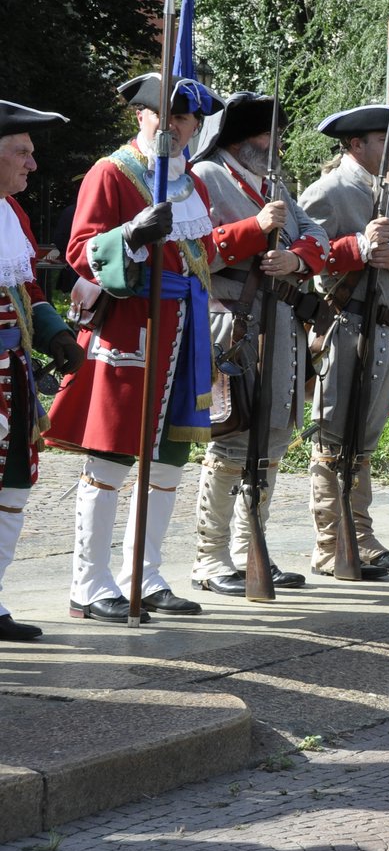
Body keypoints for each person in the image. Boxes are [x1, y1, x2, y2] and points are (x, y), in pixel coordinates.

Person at [50, 74, 263, 623]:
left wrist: (251, 239)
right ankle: (89, 584)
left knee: (169, 458)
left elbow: (197, 252)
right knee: (114, 456)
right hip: (132, 325)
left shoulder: (188, 179)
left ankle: (143, 573)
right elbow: (80, 252)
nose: (177, 127)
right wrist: (132, 236)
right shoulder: (111, 171)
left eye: (187, 119)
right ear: (141, 116)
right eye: (166, 116)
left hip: (185, 328)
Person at [190, 91, 329, 597]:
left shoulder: (273, 184)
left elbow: (316, 234)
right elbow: (199, 246)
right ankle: (210, 557)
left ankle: (256, 553)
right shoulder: (205, 179)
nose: (277, 144)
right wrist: (256, 229)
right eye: (268, 135)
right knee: (232, 441)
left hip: (283, 322)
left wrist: (297, 259)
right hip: (235, 322)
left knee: (270, 443)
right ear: (240, 139)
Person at [298, 102, 389, 579]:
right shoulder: (329, 191)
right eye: (381, 139)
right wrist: (357, 248)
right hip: (344, 325)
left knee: (366, 442)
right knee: (333, 437)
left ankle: (362, 535)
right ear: (355, 143)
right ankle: (332, 543)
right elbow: (306, 256)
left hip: (386, 329)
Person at [0, 101, 82, 640]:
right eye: (21, 152)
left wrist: (55, 334)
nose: (32, 164)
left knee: (11, 488)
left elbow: (27, 287)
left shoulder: (12, 213)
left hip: (13, 369)